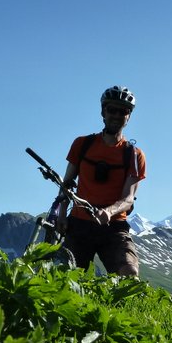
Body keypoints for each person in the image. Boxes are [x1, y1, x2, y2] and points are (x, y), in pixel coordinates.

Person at [57, 85, 147, 276]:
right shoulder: (82, 144)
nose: (116, 115)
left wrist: (109, 211)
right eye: (111, 109)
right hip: (79, 223)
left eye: (122, 111)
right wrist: (62, 213)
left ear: (128, 116)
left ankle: (124, 306)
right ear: (103, 112)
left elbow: (129, 198)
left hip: (114, 227)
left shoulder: (134, 155)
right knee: (66, 276)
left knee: (129, 272)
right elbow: (67, 184)